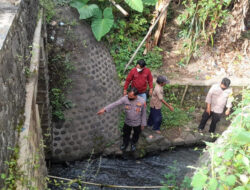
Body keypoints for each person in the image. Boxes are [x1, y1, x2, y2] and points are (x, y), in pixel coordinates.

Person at [97, 87, 146, 151]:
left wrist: (143, 124)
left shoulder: (142, 101)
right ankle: (125, 144)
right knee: (126, 134)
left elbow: (144, 113)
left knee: (136, 134)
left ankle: (133, 144)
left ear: (135, 96)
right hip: (127, 122)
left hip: (137, 123)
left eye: (131, 96)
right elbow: (115, 104)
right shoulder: (125, 99)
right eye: (128, 95)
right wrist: (104, 109)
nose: (129, 97)